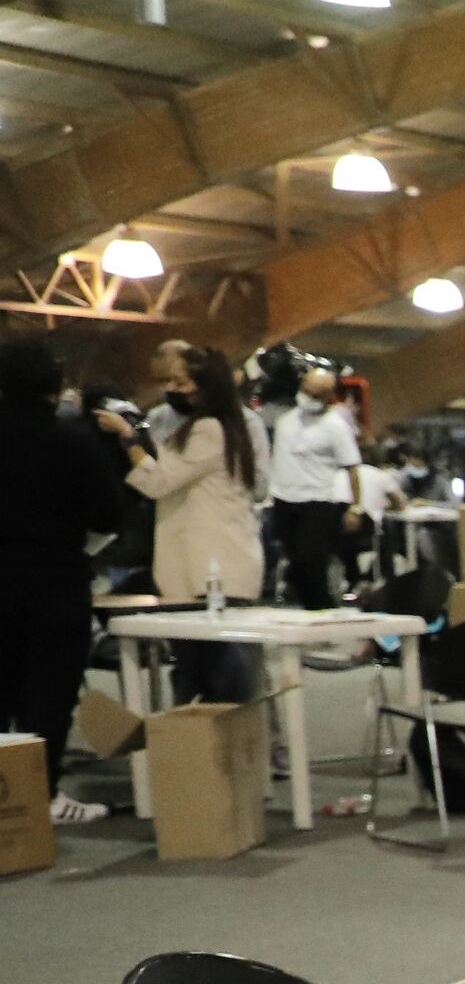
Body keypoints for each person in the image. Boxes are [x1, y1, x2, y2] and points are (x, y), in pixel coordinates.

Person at [0, 338, 130, 821]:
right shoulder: (73, 440)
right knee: (48, 693)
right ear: (53, 384)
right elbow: (108, 515)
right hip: (55, 579)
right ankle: (43, 796)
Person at [99, 341, 263, 609]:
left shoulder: (208, 430)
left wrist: (128, 437)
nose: (171, 389)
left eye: (180, 382)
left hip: (212, 567)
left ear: (204, 386)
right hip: (212, 563)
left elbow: (158, 482)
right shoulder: (226, 425)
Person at [262, 363, 361, 609]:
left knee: (312, 562)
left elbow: (352, 468)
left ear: (329, 396)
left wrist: (355, 507)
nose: (309, 398)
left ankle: (322, 610)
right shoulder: (285, 421)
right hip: (284, 500)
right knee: (294, 564)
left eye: (317, 395)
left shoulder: (336, 427)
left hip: (318, 502)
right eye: (307, 391)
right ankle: (306, 609)